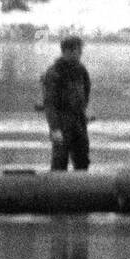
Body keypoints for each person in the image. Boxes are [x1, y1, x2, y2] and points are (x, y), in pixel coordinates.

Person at [41, 36, 92, 171]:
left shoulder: (81, 70)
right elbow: (49, 104)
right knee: (60, 160)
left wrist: (83, 112)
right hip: (62, 121)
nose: (80, 53)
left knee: (83, 159)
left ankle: (82, 190)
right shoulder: (54, 72)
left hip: (79, 121)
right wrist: (55, 128)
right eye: (78, 50)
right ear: (67, 51)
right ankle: (55, 190)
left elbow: (86, 92)